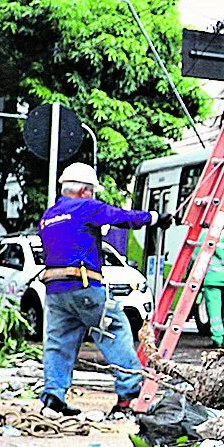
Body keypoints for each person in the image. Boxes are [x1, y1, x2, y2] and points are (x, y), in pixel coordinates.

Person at [38, 162, 153, 418]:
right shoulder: (86, 207)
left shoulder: (48, 216)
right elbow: (121, 217)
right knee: (114, 330)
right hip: (85, 285)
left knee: (58, 343)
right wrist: (153, 218)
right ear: (85, 191)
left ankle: (53, 399)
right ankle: (128, 396)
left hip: (55, 290)